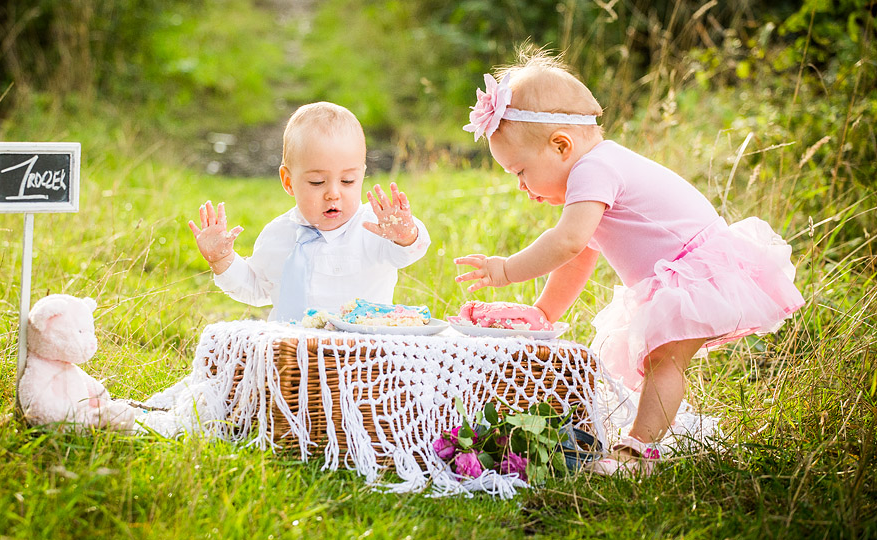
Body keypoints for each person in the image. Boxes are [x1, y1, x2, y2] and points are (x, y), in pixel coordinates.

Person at [453, 46, 805, 475]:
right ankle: (643, 441)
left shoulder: (594, 169)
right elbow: (580, 255)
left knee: (665, 361)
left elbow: (565, 242)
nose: (522, 188)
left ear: (561, 145)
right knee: (662, 360)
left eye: (520, 172)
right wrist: (544, 310)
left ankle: (638, 453)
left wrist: (505, 270)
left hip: (692, 274)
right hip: (680, 274)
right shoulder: (597, 169)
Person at [189, 101, 430, 323]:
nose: (333, 193)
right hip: (291, 357)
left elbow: (408, 253)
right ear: (288, 181)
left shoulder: (374, 228)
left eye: (348, 181)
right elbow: (256, 288)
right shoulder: (277, 234)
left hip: (361, 353)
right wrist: (222, 260)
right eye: (317, 182)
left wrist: (405, 234)